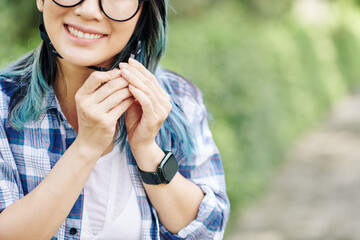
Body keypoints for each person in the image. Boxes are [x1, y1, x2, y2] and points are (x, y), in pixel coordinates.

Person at [0, 0, 230, 239]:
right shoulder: (3, 105)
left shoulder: (180, 99)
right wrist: (86, 147)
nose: (88, 11)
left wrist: (148, 150)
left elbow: (207, 231)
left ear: (144, 11)